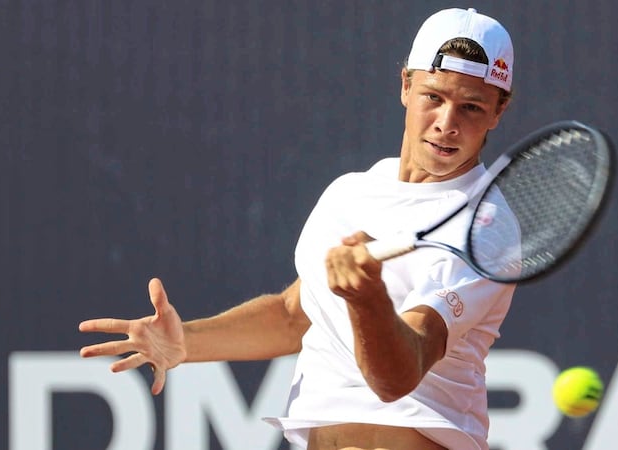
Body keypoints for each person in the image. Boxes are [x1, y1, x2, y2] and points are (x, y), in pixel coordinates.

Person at [80, 7, 516, 450]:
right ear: (405, 85)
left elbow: (400, 375)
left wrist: (367, 299)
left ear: (499, 111)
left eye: (471, 107)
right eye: (434, 97)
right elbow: (294, 315)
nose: (447, 123)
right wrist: (185, 343)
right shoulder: (351, 192)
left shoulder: (485, 226)